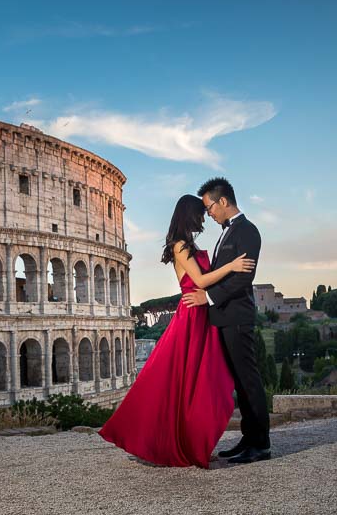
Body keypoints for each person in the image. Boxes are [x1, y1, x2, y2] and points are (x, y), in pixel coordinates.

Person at [98, 194, 255, 468]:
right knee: (187, 383)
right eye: (200, 214)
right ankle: (181, 444)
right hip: (192, 317)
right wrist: (232, 266)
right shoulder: (180, 245)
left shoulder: (188, 244)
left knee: (204, 384)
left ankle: (195, 442)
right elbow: (201, 280)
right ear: (189, 215)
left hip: (202, 315)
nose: (204, 219)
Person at [182, 177, 269, 463]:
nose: (209, 213)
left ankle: (261, 444)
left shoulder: (247, 231)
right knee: (240, 384)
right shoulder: (226, 233)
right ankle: (249, 438)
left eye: (209, 207)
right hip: (224, 317)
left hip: (237, 317)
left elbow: (243, 278)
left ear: (223, 201)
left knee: (249, 381)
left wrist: (206, 298)